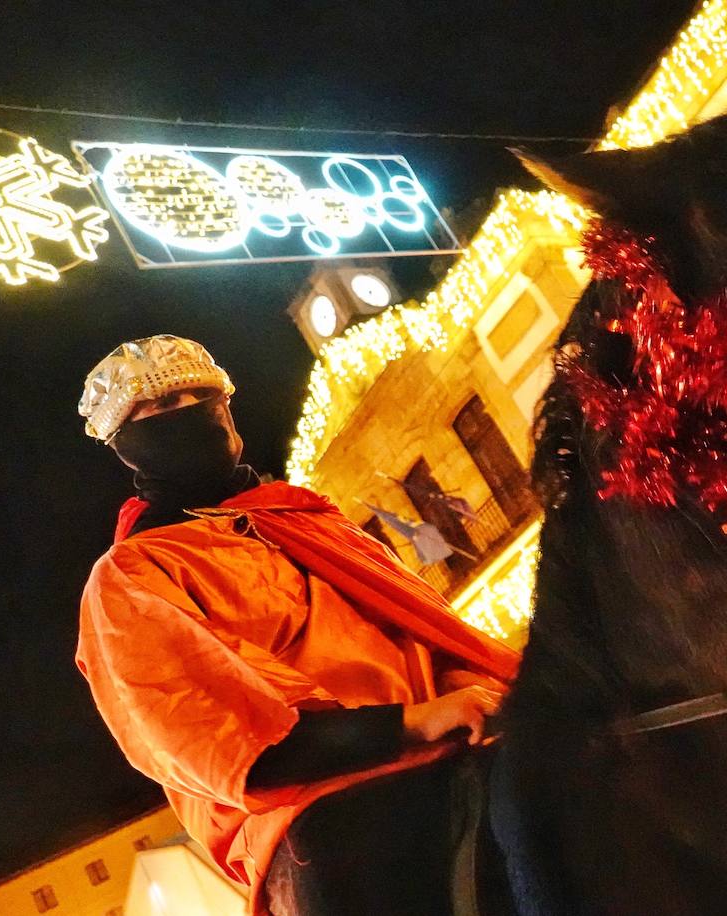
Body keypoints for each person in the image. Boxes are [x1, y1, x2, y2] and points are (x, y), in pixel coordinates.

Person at [75, 336, 521, 916]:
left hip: (460, 737)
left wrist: (489, 693)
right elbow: (217, 730)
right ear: (124, 441)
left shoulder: (310, 520)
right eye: (160, 408)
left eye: (200, 395)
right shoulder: (131, 575)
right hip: (322, 799)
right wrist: (408, 725)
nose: (187, 410)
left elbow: (424, 636)